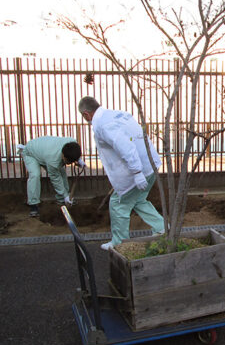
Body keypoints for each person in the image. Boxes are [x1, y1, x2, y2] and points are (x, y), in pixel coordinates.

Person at [78, 96, 165, 251]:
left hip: (138, 169)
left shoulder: (103, 125)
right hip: (151, 164)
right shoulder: (117, 115)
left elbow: (125, 146)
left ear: (86, 114)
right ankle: (162, 228)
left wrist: (137, 172)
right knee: (138, 200)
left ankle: (120, 244)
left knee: (118, 204)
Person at [19, 136, 84, 217]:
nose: (68, 164)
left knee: (62, 173)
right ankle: (33, 205)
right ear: (63, 155)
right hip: (31, 153)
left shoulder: (72, 143)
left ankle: (62, 200)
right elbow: (56, 180)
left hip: (44, 151)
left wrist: (78, 159)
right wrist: (65, 195)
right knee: (35, 175)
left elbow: (74, 152)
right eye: (68, 161)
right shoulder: (53, 160)